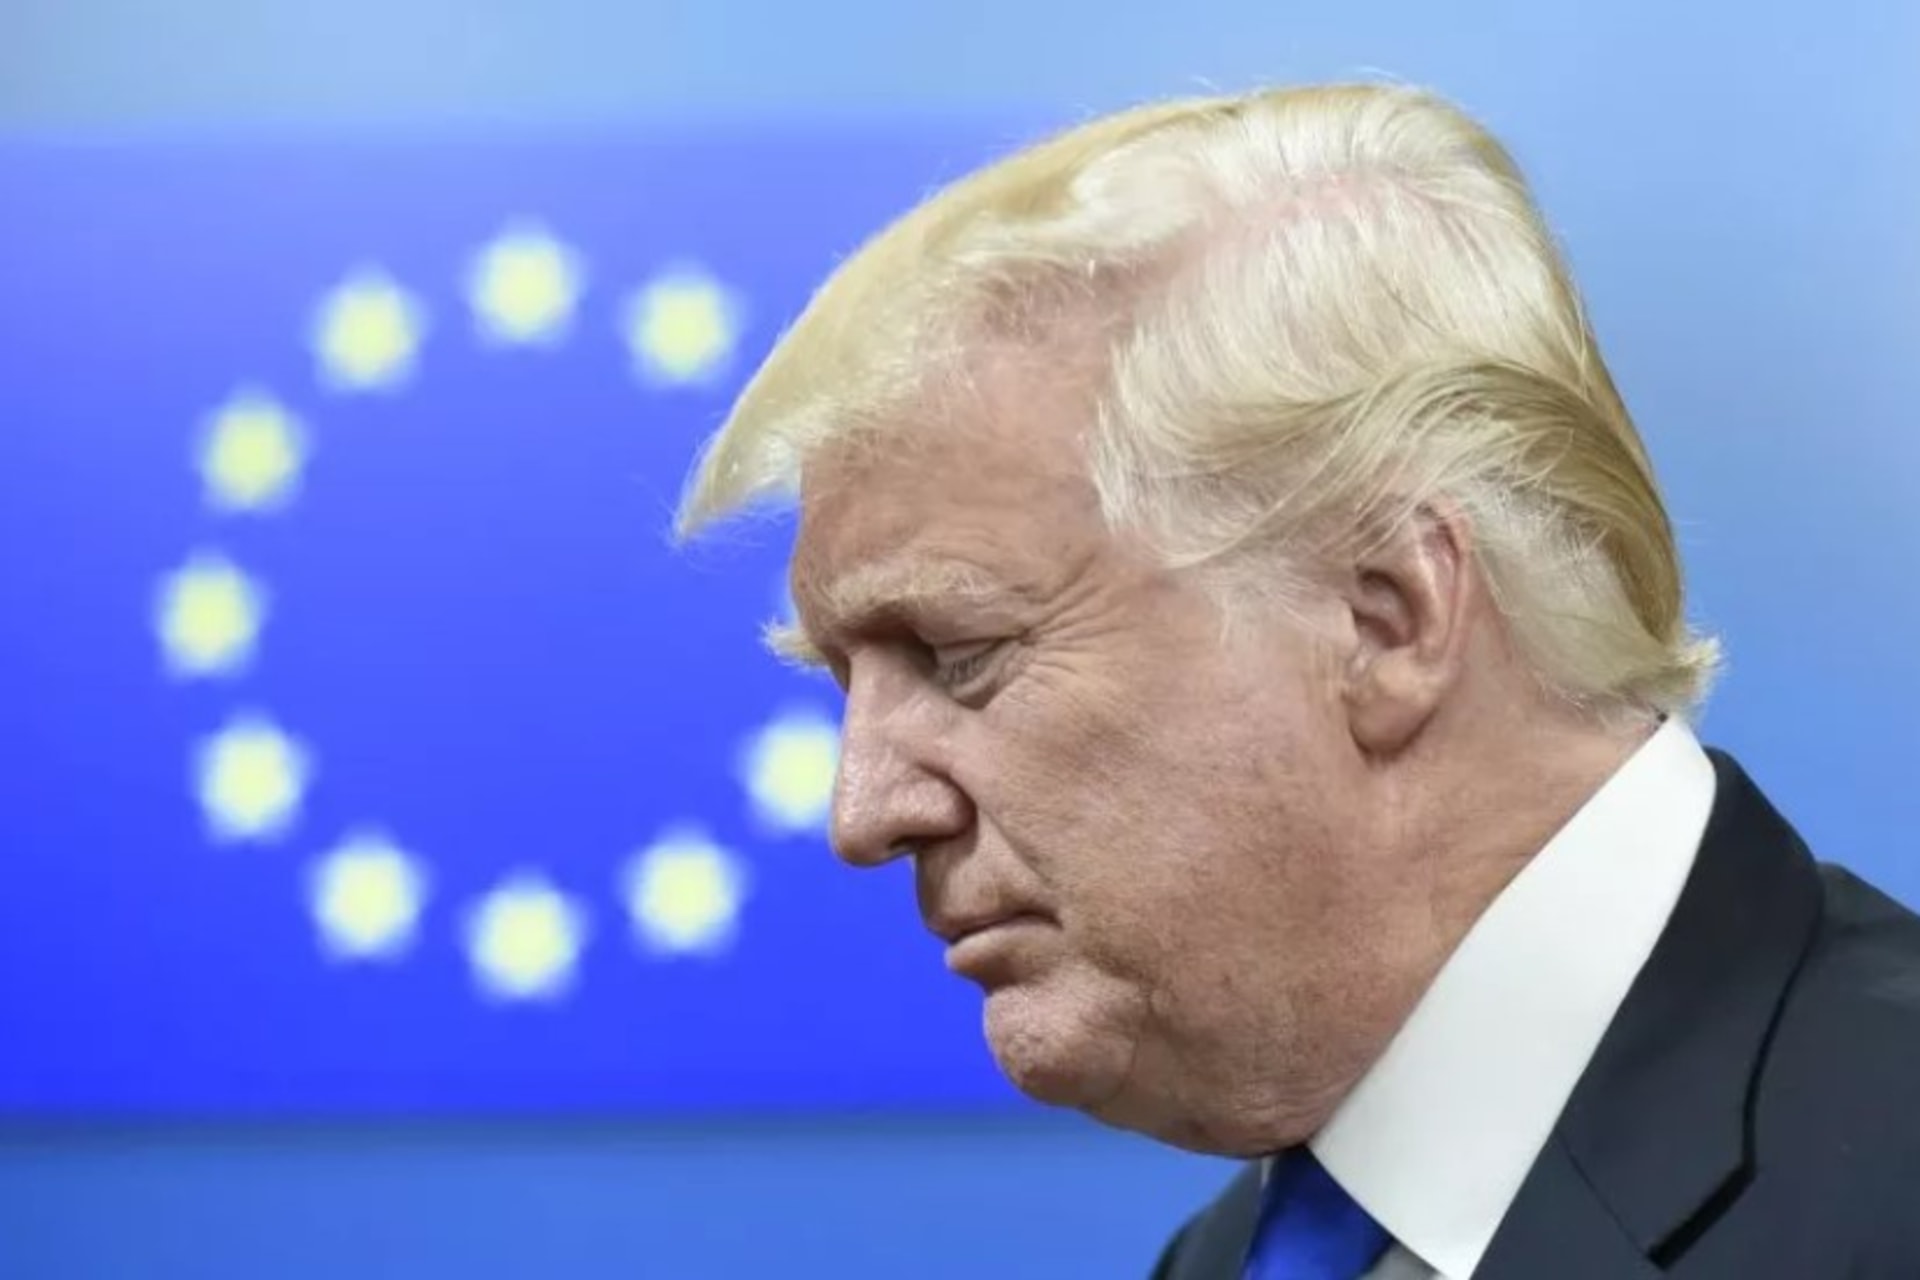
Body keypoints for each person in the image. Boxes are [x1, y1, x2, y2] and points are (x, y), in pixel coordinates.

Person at [673, 82, 1920, 1278]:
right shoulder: (1237, 1254)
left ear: (1385, 617)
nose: (866, 811)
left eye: (961, 656)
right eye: (846, 682)